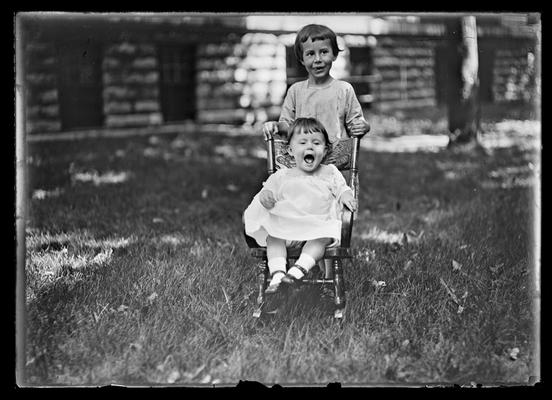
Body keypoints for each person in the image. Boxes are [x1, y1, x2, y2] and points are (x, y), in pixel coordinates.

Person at [243, 118, 357, 294]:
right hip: (287, 226)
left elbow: (342, 189)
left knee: (320, 239)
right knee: (273, 238)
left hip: (318, 224)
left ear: (325, 150)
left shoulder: (330, 172)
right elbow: (267, 191)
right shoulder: (282, 175)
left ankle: (296, 272)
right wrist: (266, 196)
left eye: (316, 143)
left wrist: (346, 195)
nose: (309, 147)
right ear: (290, 149)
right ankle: (278, 275)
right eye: (302, 142)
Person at [262, 23, 371, 151]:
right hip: (303, 160)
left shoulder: (344, 89)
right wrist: (276, 126)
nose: (317, 59)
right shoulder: (296, 91)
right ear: (302, 59)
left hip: (336, 161)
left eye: (324, 52)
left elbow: (355, 123)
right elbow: (287, 125)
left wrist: (364, 126)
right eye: (310, 54)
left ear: (334, 55)